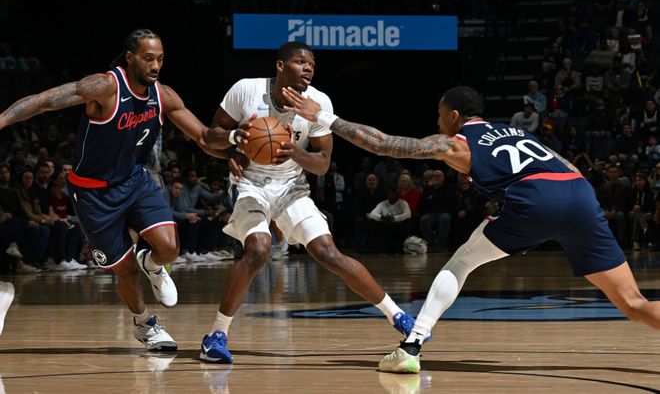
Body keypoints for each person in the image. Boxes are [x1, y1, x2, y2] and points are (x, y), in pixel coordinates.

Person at [282, 84, 660, 374]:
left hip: (535, 199)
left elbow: (386, 145)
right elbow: (570, 168)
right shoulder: (519, 133)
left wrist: (325, 118)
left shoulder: (458, 144)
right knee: (632, 303)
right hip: (578, 193)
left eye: (439, 116)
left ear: (454, 116)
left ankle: (411, 347)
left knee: (461, 262)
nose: (438, 122)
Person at [0, 28, 242, 351]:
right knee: (125, 270)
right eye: (148, 58)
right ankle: (144, 324)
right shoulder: (105, 87)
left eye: (160, 59)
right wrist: (2, 120)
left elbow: (202, 137)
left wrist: (233, 150)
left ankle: (152, 264)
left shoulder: (164, 96)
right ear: (130, 58)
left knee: (169, 248)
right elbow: (45, 101)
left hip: (134, 181)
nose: (155, 66)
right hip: (93, 193)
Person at [199, 41, 420, 363]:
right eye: (301, 62)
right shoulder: (246, 90)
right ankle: (216, 335)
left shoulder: (318, 102)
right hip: (250, 184)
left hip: (292, 187)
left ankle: (399, 317)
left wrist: (295, 152)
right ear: (280, 66)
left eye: (312, 65)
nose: (308, 69)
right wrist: (234, 142)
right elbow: (211, 136)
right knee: (258, 249)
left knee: (328, 252)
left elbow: (322, 164)